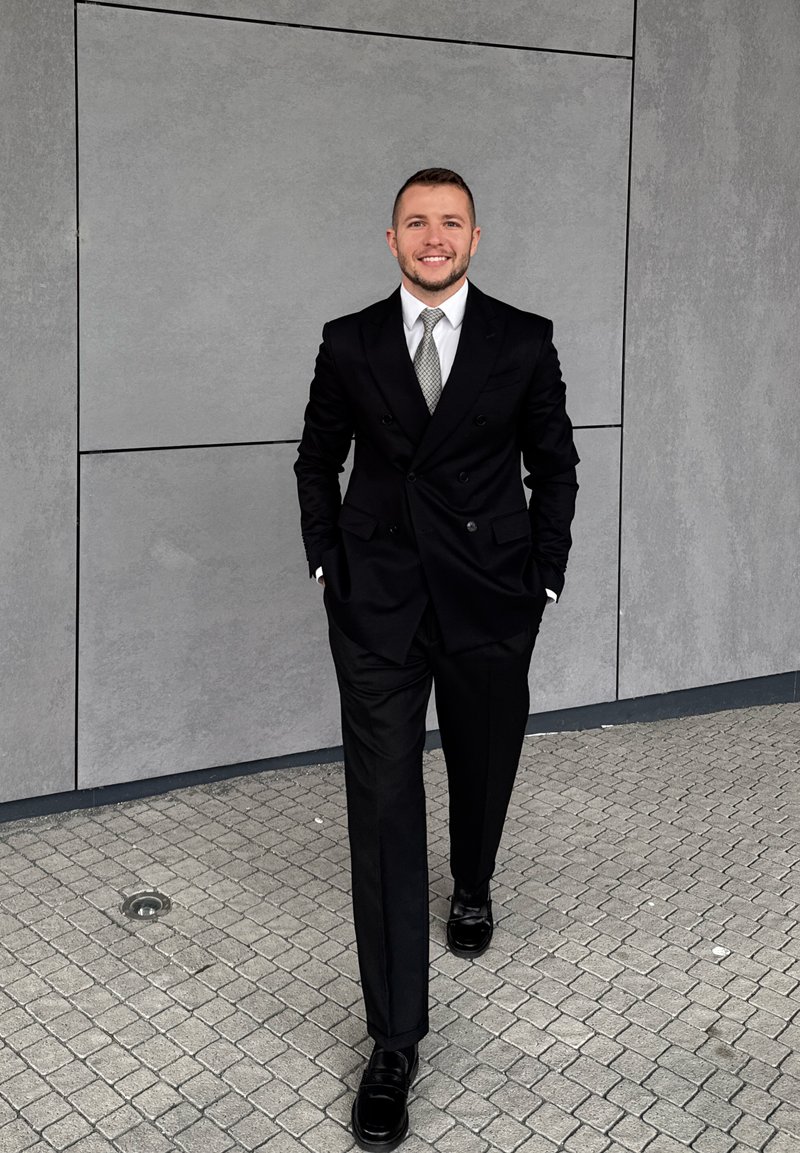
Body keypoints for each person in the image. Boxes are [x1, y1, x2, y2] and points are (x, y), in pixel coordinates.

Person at [295, 168, 579, 1150]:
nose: (432, 236)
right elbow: (316, 456)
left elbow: (554, 462)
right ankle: (392, 1041)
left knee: (483, 755)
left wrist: (544, 575)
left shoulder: (522, 339)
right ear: (391, 239)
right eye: (415, 222)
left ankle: (472, 881)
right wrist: (326, 563)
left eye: (449, 222)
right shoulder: (349, 341)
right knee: (381, 804)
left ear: (474, 237)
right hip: (377, 599)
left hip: (489, 591)